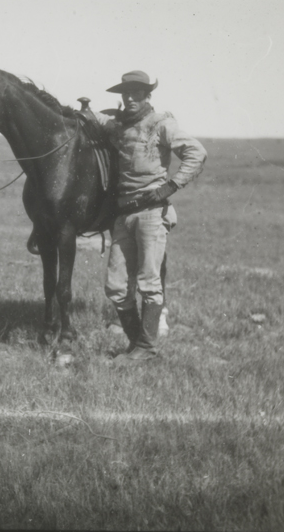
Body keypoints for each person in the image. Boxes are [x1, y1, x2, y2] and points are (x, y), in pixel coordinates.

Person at [100, 70, 207, 364]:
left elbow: (196, 152)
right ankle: (140, 346)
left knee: (148, 281)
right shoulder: (119, 127)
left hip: (150, 213)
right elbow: (99, 122)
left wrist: (170, 186)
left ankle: (145, 348)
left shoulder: (161, 124)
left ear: (148, 95)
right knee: (117, 286)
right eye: (126, 93)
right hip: (124, 214)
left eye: (137, 92)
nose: (130, 98)